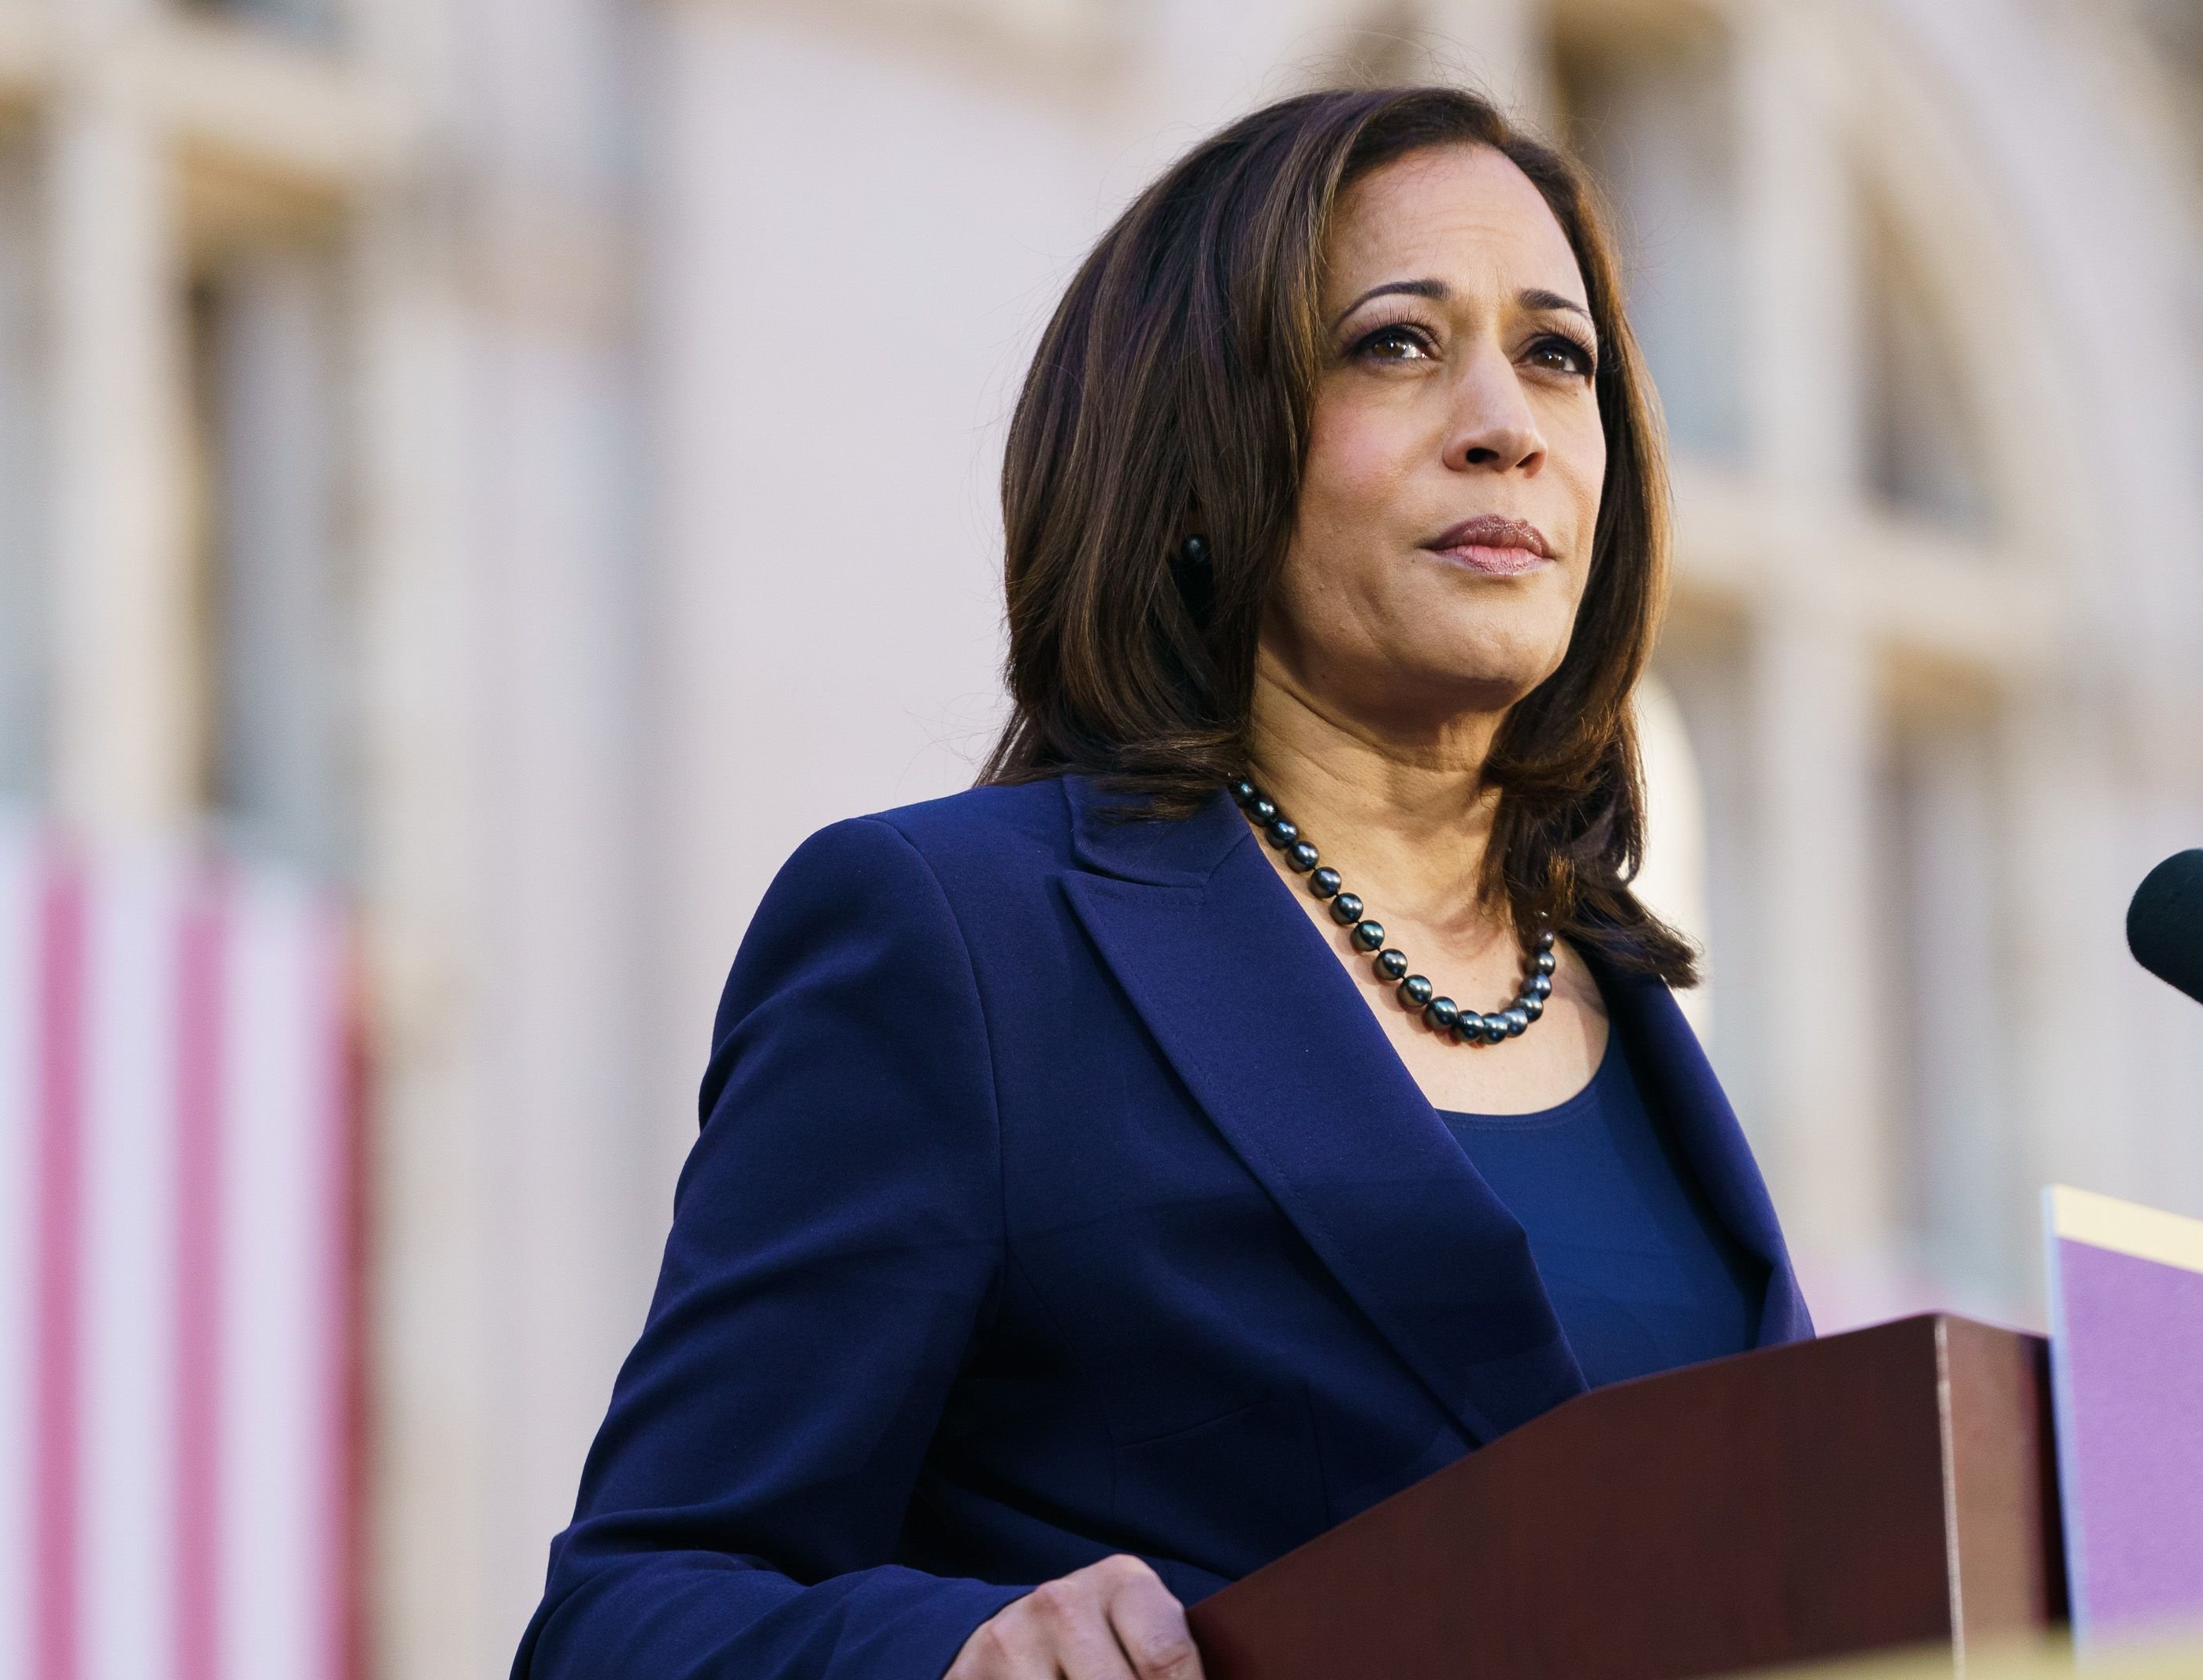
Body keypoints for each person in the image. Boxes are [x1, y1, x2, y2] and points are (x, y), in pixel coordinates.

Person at [513, 84, 1810, 1680]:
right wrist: (958, 1652)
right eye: (1395, 344)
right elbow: (627, 1614)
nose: (1506, 420)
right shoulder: (962, 941)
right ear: (1199, 447)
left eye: (1558, 355)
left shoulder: (1627, 1007)